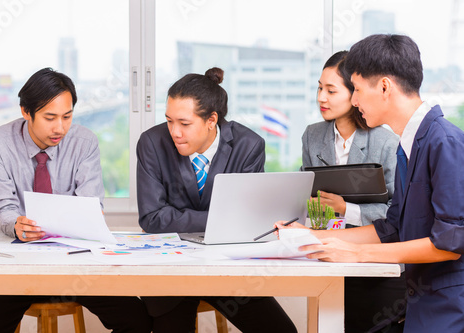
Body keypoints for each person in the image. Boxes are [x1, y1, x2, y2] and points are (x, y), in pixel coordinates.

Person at [277, 34, 464, 332]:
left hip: (448, 305)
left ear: (385, 87)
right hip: (421, 303)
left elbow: (450, 243)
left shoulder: (444, 142)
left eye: (358, 89)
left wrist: (357, 254)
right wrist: (313, 236)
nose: (353, 100)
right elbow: (391, 229)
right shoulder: (410, 145)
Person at [0, 68, 151, 333]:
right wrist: (17, 225)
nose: (60, 128)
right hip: (18, 262)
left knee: (137, 321)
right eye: (50, 117)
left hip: (76, 263)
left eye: (67, 117)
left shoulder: (84, 143)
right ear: (26, 111)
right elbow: (3, 209)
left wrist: (91, 217)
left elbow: (91, 203)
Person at [136, 67, 297, 332]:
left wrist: (180, 217)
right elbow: (152, 218)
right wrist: (222, 220)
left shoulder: (248, 145)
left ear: (212, 120)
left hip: (228, 267)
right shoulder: (152, 143)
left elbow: (250, 219)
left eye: (184, 123)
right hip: (172, 269)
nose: (174, 132)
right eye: (169, 121)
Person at [302, 51, 406, 332]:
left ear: (355, 94)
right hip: (328, 258)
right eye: (319, 88)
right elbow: (307, 198)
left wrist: (346, 208)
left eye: (331, 90)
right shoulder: (312, 136)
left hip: (376, 261)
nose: (321, 98)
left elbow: (398, 214)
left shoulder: (386, 142)